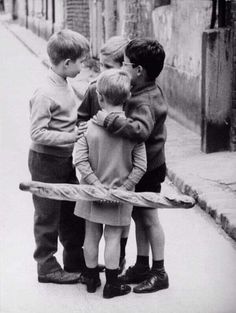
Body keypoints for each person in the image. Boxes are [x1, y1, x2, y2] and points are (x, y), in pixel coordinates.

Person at [93, 38, 169, 294]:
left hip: (148, 169)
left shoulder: (144, 100)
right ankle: (142, 265)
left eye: (124, 64)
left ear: (138, 70)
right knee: (139, 217)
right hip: (147, 166)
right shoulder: (144, 89)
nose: (121, 68)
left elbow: (141, 130)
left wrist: (111, 121)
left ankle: (159, 272)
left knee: (149, 219)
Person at [74, 69, 147, 298]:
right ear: (126, 98)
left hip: (91, 192)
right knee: (113, 237)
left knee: (91, 234)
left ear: (100, 98)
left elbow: (80, 160)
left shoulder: (89, 129)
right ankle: (113, 285)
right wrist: (123, 189)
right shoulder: (131, 131)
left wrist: (96, 185)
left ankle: (91, 277)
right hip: (119, 195)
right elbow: (141, 166)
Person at [28, 29, 90, 284]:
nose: (83, 67)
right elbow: (37, 133)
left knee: (71, 211)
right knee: (47, 215)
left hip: (64, 160)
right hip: (45, 162)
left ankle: (74, 260)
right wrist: (72, 136)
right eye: (81, 62)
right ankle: (46, 266)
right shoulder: (44, 93)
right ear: (67, 64)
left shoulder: (65, 83)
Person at [77, 36, 129, 274]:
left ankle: (115, 264)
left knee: (113, 232)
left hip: (107, 175)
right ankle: (109, 275)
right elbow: (81, 118)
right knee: (108, 232)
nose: (102, 73)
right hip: (104, 176)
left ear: (123, 66)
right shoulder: (93, 89)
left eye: (108, 67)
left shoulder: (129, 93)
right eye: (101, 66)